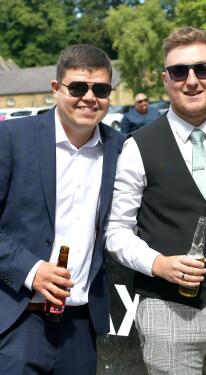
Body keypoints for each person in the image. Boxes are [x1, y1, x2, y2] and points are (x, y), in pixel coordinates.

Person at [106, 27, 206, 374]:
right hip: (166, 313)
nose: (191, 80)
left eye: (202, 69)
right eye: (180, 71)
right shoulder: (137, 146)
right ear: (166, 80)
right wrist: (157, 264)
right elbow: (117, 232)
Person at [0, 44, 125, 374]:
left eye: (100, 89)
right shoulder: (11, 138)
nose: (89, 97)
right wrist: (31, 270)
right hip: (18, 320)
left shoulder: (121, 149)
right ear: (56, 89)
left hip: (80, 327)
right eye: (77, 87)